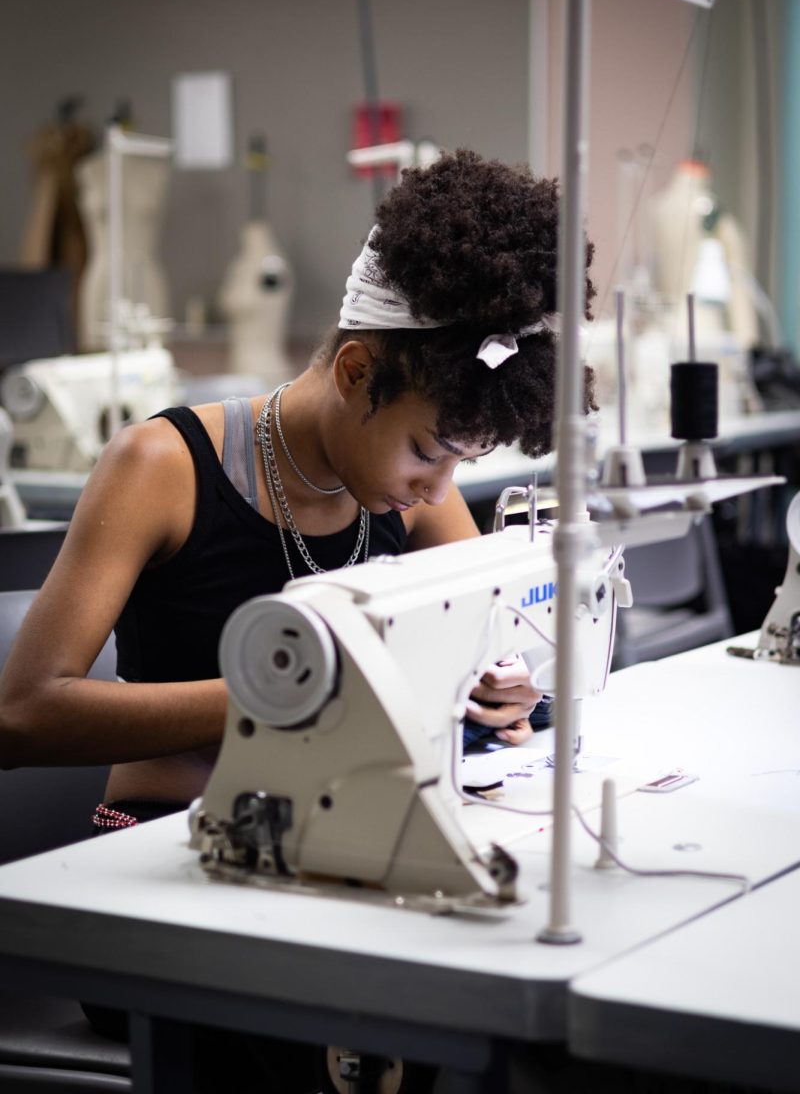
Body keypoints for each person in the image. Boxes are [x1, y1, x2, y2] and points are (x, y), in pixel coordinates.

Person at [0, 148, 595, 1090]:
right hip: (159, 854)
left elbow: (490, 644)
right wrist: (293, 694)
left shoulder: (405, 493)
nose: (438, 488)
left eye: (457, 467)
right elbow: (20, 717)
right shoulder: (162, 467)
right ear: (357, 371)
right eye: (427, 453)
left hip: (335, 847)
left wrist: (503, 685)